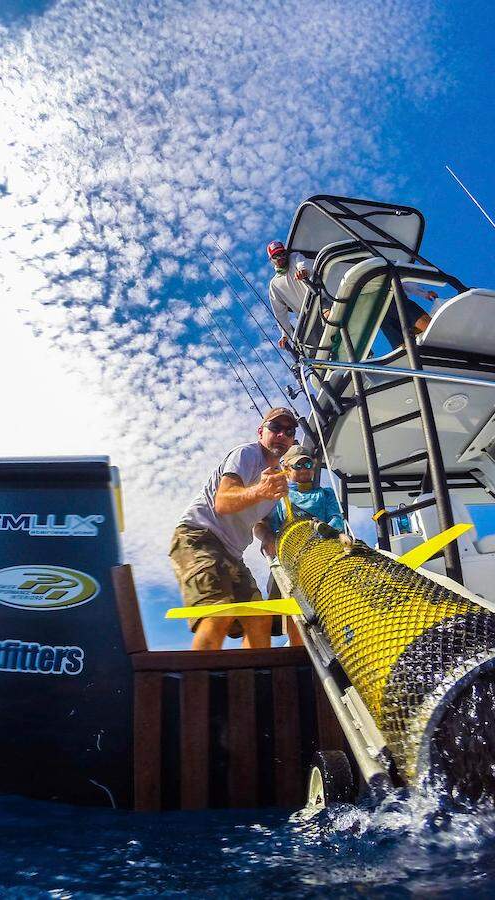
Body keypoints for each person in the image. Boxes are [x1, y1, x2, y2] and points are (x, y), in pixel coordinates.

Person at [169, 407, 297, 650]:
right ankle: (199, 685)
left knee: (259, 620)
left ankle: (253, 684)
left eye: (288, 431)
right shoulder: (247, 454)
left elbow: (261, 522)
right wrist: (259, 490)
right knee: (218, 613)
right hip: (198, 535)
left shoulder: (279, 480)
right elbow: (223, 501)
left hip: (232, 554)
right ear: (261, 432)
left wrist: (268, 537)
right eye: (275, 428)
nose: (282, 434)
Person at [253, 445, 353, 647]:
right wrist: (268, 538)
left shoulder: (325, 494)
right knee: (296, 612)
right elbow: (259, 525)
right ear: (286, 469)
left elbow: (336, 518)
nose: (305, 468)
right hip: (292, 561)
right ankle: (299, 649)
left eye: (308, 463)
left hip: (325, 556)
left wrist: (330, 531)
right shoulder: (278, 496)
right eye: (298, 465)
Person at [266, 241, 313, 349]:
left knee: (331, 316)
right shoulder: (274, 285)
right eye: (276, 256)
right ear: (271, 260)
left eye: (282, 254)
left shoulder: (294, 257)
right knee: (310, 350)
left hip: (318, 301)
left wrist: (303, 271)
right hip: (306, 319)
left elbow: (303, 264)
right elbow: (280, 313)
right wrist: (285, 335)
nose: (280, 258)